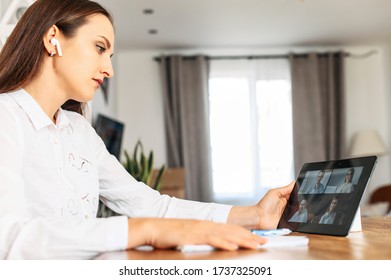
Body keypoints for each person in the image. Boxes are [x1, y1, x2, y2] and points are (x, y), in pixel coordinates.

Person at [0, 0, 294, 259]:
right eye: (100, 48)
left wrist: (256, 215)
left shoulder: (78, 130)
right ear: (53, 38)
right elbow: (10, 239)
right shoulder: (6, 116)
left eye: (110, 56)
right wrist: (145, 230)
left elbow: (151, 206)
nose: (108, 69)